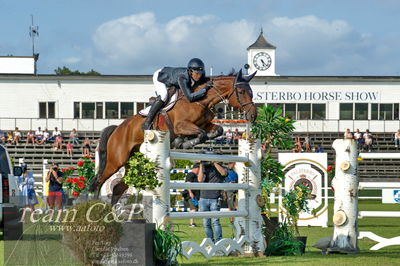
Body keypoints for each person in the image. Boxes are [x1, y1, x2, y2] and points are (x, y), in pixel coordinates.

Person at [141, 58, 212, 130]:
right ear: (190, 72)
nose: (199, 76)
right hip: (160, 76)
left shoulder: (200, 75)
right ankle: (147, 122)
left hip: (172, 78)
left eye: (200, 73)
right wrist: (205, 89)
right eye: (196, 73)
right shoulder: (183, 78)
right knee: (164, 95)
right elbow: (190, 97)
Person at [197, 160, 228, 243]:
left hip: (215, 198)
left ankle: (218, 242)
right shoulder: (205, 168)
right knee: (206, 223)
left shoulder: (223, 168)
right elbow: (200, 179)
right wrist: (201, 164)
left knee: (215, 222)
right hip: (203, 198)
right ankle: (210, 242)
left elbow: (223, 173)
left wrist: (214, 163)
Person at [184, 163, 201, 227]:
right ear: (197, 168)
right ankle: (191, 223)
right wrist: (190, 193)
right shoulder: (191, 174)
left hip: (193, 194)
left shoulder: (193, 175)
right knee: (193, 208)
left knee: (194, 208)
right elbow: (188, 183)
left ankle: (192, 222)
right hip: (191, 195)